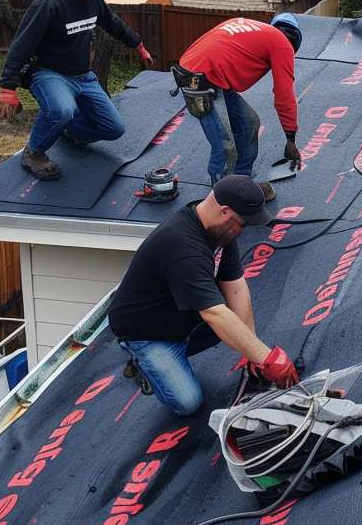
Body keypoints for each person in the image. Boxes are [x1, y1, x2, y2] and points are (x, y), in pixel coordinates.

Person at [108, 176, 300, 417]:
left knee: (234, 324)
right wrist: (270, 360)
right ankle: (143, 363)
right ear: (225, 212)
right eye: (243, 223)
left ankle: (177, 352)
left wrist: (255, 355)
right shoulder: (182, 247)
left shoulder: (218, 229)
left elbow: (235, 286)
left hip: (183, 313)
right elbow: (214, 313)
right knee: (188, 402)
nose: (244, 230)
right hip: (147, 333)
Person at [0, 0, 154, 180]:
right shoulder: (49, 3)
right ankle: (34, 153)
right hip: (48, 73)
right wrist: (7, 88)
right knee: (62, 110)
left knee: (113, 128)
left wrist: (138, 45)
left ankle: (67, 130)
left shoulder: (93, 2)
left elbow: (113, 24)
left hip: (82, 76)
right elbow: (22, 44)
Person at [176, 14, 304, 199]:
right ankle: (221, 199)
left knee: (248, 123)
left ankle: (241, 182)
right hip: (203, 81)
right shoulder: (282, 44)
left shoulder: (250, 25)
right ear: (295, 41)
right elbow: (284, 95)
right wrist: (290, 138)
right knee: (225, 147)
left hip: (196, 71)